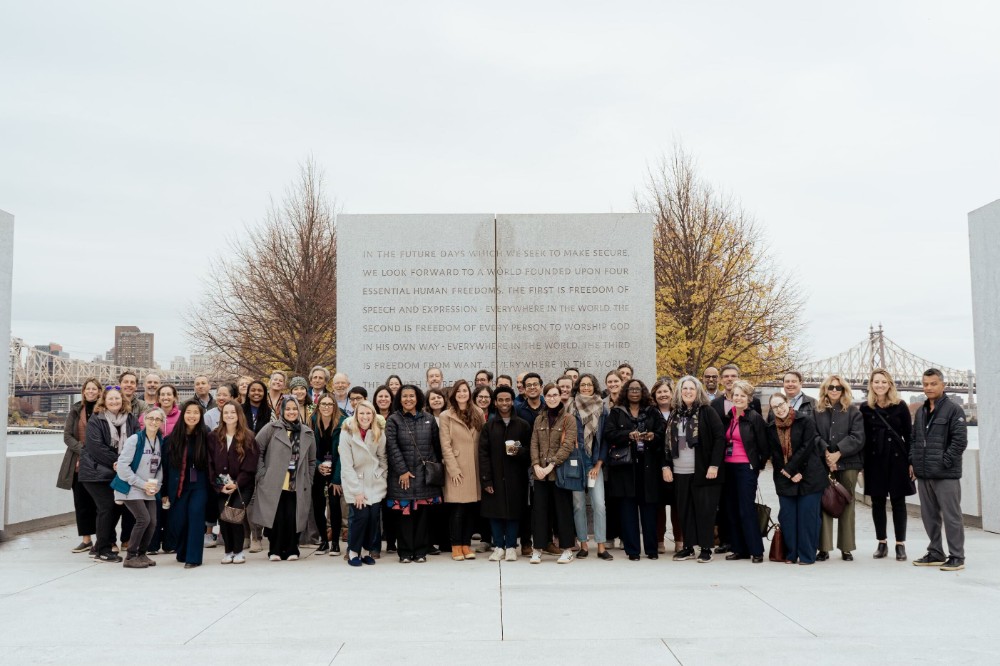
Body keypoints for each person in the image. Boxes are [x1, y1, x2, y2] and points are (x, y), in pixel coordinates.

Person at [603, 379, 667, 561]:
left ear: (643, 392)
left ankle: (652, 549)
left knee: (649, 510)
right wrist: (627, 435)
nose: (634, 392)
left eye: (638, 389)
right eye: (631, 389)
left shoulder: (653, 411)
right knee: (628, 510)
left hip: (648, 467)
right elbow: (609, 433)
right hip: (625, 468)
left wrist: (652, 435)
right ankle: (632, 551)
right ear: (626, 392)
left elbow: (663, 433)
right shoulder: (617, 412)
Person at [911, 368, 968, 571]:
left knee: (952, 516)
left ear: (942, 385)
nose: (928, 387)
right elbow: (914, 440)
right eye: (925, 384)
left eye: (933, 383)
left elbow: (960, 441)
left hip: (946, 474)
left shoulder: (954, 410)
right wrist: (914, 462)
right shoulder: (921, 411)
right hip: (924, 474)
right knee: (929, 516)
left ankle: (957, 556)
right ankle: (935, 552)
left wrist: (944, 461)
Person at [667, 376, 727, 563]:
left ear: (698, 391)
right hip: (680, 470)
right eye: (685, 388)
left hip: (703, 470)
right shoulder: (675, 413)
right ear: (679, 391)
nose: (688, 391)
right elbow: (666, 442)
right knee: (685, 510)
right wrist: (666, 465)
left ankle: (706, 547)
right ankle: (688, 547)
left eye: (692, 388)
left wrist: (714, 465)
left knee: (705, 511)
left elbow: (719, 438)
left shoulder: (706, 411)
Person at [251, 397, 317, 561]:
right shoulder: (271, 428)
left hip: (297, 482)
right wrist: (262, 474)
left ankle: (292, 549)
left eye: (294, 409)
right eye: (288, 409)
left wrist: (309, 479)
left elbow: (311, 460)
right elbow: (256, 450)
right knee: (277, 517)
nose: (291, 412)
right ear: (282, 411)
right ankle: (275, 550)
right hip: (274, 482)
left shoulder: (307, 432)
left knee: (293, 516)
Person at [860, 368, 915, 561]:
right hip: (875, 460)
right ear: (871, 385)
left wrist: (911, 462)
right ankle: (881, 543)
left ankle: (900, 545)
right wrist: (861, 464)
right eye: (876, 382)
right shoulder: (865, 408)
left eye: (884, 382)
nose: (880, 385)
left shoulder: (900, 405)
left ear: (889, 384)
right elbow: (863, 438)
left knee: (899, 502)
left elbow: (909, 436)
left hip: (897, 459)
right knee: (877, 503)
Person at [79, 386, 138, 562]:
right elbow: (96, 447)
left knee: (117, 507)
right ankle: (102, 550)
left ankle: (101, 545)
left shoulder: (131, 419)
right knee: (106, 507)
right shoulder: (96, 420)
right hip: (95, 472)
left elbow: (136, 442)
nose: (114, 402)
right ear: (104, 401)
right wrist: (119, 462)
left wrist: (122, 464)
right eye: (110, 399)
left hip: (117, 472)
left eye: (117, 399)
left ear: (123, 401)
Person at [385, 385, 443, 563]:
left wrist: (432, 466)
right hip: (402, 477)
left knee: (422, 516)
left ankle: (420, 551)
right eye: (404, 396)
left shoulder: (429, 419)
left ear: (417, 398)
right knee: (405, 516)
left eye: (412, 396)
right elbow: (392, 447)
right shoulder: (393, 419)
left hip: (424, 476)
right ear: (399, 399)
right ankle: (404, 552)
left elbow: (436, 445)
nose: (408, 399)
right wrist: (402, 471)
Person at [766, 392, 824, 565]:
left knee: (808, 518)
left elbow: (808, 447)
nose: (779, 409)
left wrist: (794, 470)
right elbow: (775, 456)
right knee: (788, 518)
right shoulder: (770, 428)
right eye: (775, 407)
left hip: (809, 475)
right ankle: (791, 554)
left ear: (788, 402)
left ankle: (807, 555)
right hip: (784, 477)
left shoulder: (805, 421)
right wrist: (790, 473)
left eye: (781, 404)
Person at [814, 374, 864, 562]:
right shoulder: (816, 411)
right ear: (825, 390)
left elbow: (858, 437)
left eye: (838, 388)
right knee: (824, 503)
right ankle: (824, 548)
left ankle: (846, 548)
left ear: (844, 390)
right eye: (831, 387)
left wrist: (838, 453)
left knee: (847, 504)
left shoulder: (853, 412)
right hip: (823, 463)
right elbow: (813, 435)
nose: (834, 390)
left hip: (849, 463)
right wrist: (827, 453)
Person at [478, 385, 532, 562]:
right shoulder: (489, 426)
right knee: (495, 511)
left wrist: (519, 451)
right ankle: (498, 546)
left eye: (507, 399)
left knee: (514, 512)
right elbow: (483, 454)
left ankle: (510, 546)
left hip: (516, 476)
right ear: (495, 402)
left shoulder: (522, 425)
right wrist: (486, 480)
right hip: (494, 476)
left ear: (512, 401)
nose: (504, 403)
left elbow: (530, 451)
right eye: (500, 400)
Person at [529, 384, 578, 564]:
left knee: (562, 511)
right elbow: (534, 443)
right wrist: (536, 465)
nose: (552, 398)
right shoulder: (539, 419)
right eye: (548, 395)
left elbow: (568, 446)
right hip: (540, 473)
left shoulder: (568, 419)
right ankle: (538, 548)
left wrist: (550, 466)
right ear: (545, 397)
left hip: (559, 473)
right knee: (540, 512)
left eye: (555, 395)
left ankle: (567, 549)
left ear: (560, 396)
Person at [721, 380, 769, 563]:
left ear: (748, 398)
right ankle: (738, 548)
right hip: (729, 466)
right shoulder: (729, 416)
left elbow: (764, 447)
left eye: (742, 395)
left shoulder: (754, 417)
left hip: (745, 467)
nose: (738, 398)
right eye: (736, 395)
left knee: (746, 509)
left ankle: (756, 550)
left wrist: (756, 467)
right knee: (731, 509)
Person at [439, 379, 485, 561]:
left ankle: (466, 544)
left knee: (472, 508)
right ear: (454, 394)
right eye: (459, 391)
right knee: (458, 509)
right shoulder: (446, 416)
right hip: (457, 468)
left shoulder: (478, 412)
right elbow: (445, 445)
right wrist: (453, 469)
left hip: (474, 466)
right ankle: (456, 545)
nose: (462, 394)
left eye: (465, 391)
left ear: (469, 393)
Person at [208, 402, 258, 565]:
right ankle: (228, 551)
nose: (229, 415)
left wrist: (236, 484)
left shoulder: (248, 436)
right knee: (224, 517)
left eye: (233, 412)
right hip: (220, 485)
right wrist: (220, 486)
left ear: (239, 415)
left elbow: (251, 465)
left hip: (242, 485)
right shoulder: (214, 436)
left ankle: (238, 551)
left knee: (234, 515)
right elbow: (210, 464)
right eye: (226, 412)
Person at [115, 406, 166, 568]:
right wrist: (141, 484)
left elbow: (160, 467)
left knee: (152, 522)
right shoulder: (135, 440)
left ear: (161, 422)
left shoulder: (160, 441)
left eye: (158, 419)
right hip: (130, 486)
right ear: (144, 419)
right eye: (151, 418)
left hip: (148, 488)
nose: (154, 421)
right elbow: (122, 467)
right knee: (143, 519)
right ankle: (130, 557)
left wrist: (157, 485)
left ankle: (142, 554)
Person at [339, 400, 388, 566]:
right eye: (362, 413)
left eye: (368, 413)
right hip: (356, 482)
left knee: (373, 518)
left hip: (374, 482)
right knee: (360, 518)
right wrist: (356, 491)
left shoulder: (378, 432)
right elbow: (346, 464)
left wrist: (380, 474)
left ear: (373, 415)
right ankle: (353, 552)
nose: (365, 416)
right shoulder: (347, 433)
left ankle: (367, 551)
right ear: (356, 414)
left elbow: (383, 458)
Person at [568, 373, 611, 560]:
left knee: (599, 505)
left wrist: (599, 464)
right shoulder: (570, 408)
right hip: (576, 463)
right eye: (583, 385)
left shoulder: (603, 408)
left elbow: (605, 439)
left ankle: (601, 546)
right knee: (578, 505)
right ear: (578, 387)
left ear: (595, 387)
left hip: (594, 463)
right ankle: (584, 544)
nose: (586, 388)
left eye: (589, 384)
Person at [164, 400, 211, 569]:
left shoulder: (207, 435)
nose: (192, 416)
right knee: (180, 520)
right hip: (179, 486)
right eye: (189, 412)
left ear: (201, 416)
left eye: (196, 413)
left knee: (196, 518)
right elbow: (165, 467)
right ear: (183, 415)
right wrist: (164, 492)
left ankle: (194, 557)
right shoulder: (172, 438)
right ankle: (182, 551)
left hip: (200, 486)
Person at [58, 378, 101, 555]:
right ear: (83, 391)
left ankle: (103, 539)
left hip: (99, 463)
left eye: (94, 389)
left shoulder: (104, 409)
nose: (90, 392)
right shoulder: (76, 410)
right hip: (78, 463)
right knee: (81, 502)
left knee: (100, 504)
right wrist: (83, 450)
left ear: (99, 391)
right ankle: (86, 540)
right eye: (87, 389)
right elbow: (67, 436)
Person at [311, 393, 347, 556]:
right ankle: (324, 541)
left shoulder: (342, 422)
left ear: (335, 406)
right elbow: (309, 449)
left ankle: (335, 544)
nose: (326, 407)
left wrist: (336, 478)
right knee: (318, 505)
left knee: (334, 505)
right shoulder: (312, 422)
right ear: (318, 406)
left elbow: (343, 453)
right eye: (323, 404)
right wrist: (318, 466)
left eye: (330, 404)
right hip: (318, 468)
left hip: (336, 468)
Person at [651, 378, 681, 554]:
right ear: (655, 395)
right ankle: (659, 540)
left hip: (678, 464)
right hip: (656, 464)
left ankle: (679, 539)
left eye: (666, 391)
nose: (663, 395)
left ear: (671, 393)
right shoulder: (650, 413)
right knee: (658, 505)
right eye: (659, 392)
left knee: (678, 504)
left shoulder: (679, 412)